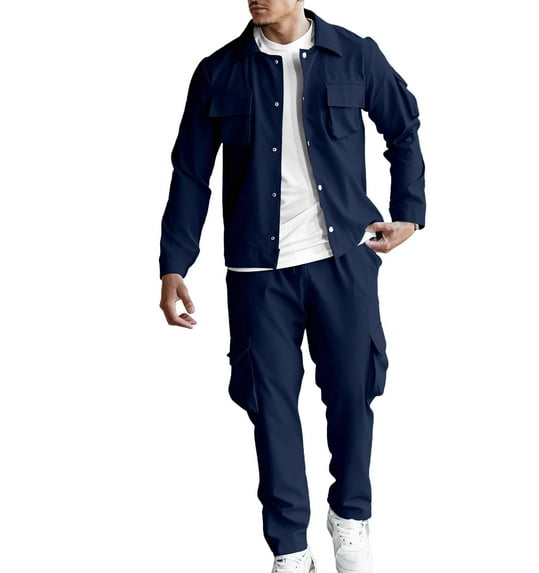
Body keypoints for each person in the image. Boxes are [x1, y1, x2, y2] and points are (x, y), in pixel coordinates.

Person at [158, 1, 425, 571]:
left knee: (352, 393)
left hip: (343, 259)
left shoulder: (355, 54)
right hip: (258, 274)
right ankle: (290, 549)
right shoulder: (218, 71)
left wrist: (409, 211)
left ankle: (350, 516)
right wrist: (174, 264)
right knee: (270, 409)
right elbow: (190, 173)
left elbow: (403, 127)